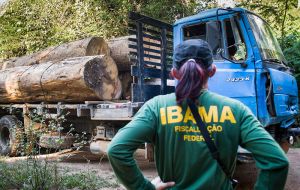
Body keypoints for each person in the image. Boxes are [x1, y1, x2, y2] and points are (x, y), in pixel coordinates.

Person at [107, 39, 289, 190]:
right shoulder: (236, 110)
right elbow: (277, 162)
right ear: (213, 71)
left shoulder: (156, 107)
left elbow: (117, 150)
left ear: (174, 73)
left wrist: (144, 188)